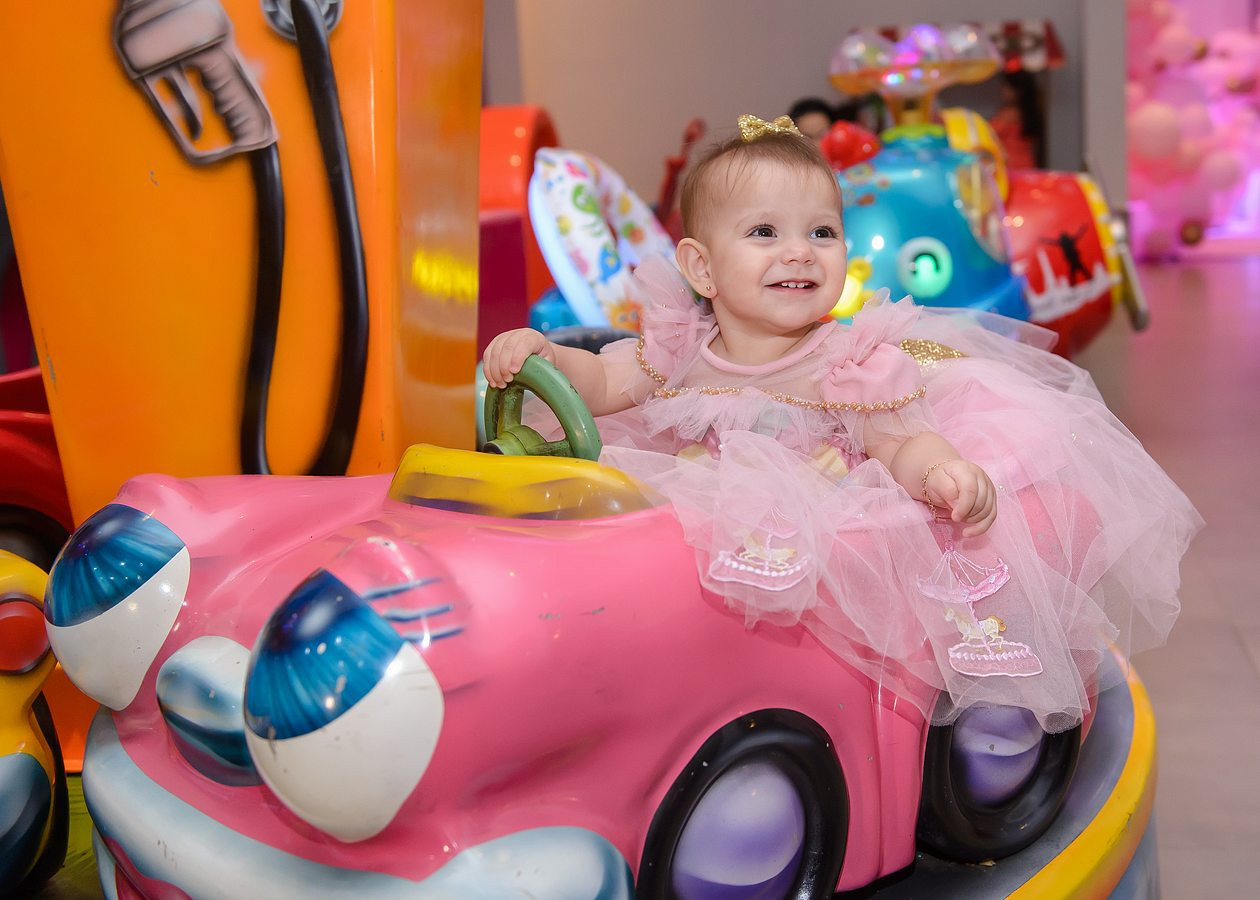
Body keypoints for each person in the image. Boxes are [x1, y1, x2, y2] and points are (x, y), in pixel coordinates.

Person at [483, 115, 1200, 733]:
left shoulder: (848, 360)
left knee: (807, 653)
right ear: (702, 268)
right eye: (764, 232)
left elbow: (898, 440)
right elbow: (603, 383)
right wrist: (546, 356)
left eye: (822, 232)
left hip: (821, 553)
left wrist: (939, 469)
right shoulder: (678, 348)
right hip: (692, 539)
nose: (800, 251)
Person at [989, 70, 1044, 170]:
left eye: (1006, 87)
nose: (1002, 90)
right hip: (1028, 164)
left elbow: (988, 133)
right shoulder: (1030, 111)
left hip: (1011, 166)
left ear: (1017, 90)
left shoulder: (1010, 114)